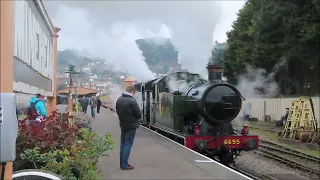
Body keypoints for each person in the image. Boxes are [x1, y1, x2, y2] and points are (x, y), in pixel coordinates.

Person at [116, 86, 142, 170]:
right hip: (131, 125)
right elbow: (138, 114)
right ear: (132, 91)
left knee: (123, 144)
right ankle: (124, 164)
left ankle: (122, 163)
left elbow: (117, 111)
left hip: (123, 124)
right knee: (128, 145)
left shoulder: (119, 99)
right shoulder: (132, 101)